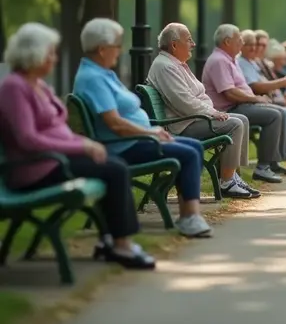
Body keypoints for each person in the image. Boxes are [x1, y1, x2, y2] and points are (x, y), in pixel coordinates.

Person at [0, 23, 157, 269]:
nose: (55, 58)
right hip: (35, 169)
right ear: (34, 53)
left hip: (53, 161)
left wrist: (85, 142)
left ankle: (110, 239)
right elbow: (27, 139)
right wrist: (82, 147)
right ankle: (122, 245)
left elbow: (59, 129)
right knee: (114, 169)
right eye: (51, 52)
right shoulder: (14, 87)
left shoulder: (38, 85)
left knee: (111, 166)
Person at [72, 18, 212, 238]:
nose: (119, 51)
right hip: (124, 146)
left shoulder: (102, 73)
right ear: (101, 49)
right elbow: (114, 123)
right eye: (116, 46)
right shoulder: (93, 79)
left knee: (194, 147)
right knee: (189, 153)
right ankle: (190, 217)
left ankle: (189, 215)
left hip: (137, 140)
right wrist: (150, 132)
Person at [146, 23, 259, 199]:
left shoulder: (176, 63)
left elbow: (190, 99)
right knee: (235, 124)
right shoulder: (166, 66)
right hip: (183, 125)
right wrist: (212, 113)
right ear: (174, 45)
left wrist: (210, 112)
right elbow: (184, 102)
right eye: (189, 40)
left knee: (242, 119)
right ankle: (227, 182)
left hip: (192, 118)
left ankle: (233, 176)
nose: (193, 44)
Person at [202, 24, 286, 183]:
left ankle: (272, 164)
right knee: (274, 115)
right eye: (239, 39)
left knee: (281, 111)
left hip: (240, 105)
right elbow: (230, 92)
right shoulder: (219, 60)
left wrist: (257, 99)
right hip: (230, 108)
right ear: (227, 42)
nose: (242, 42)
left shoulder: (230, 59)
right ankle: (263, 168)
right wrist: (256, 98)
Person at [235, 30, 286, 162]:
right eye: (251, 44)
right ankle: (278, 158)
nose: (255, 48)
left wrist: (283, 90)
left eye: (260, 45)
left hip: (258, 100)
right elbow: (255, 87)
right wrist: (283, 84)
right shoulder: (241, 62)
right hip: (247, 103)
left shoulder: (254, 62)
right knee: (285, 112)